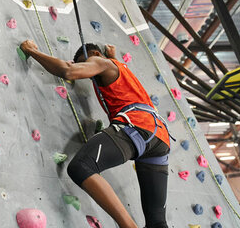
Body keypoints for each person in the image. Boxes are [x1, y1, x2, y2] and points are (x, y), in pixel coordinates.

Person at [19, 40, 171, 228]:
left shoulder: (102, 63)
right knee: (157, 223)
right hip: (160, 140)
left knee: (81, 166)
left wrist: (32, 51)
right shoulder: (119, 67)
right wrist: (112, 54)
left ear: (96, 55)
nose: (89, 70)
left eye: (87, 61)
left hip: (136, 126)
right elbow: (118, 81)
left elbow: (67, 71)